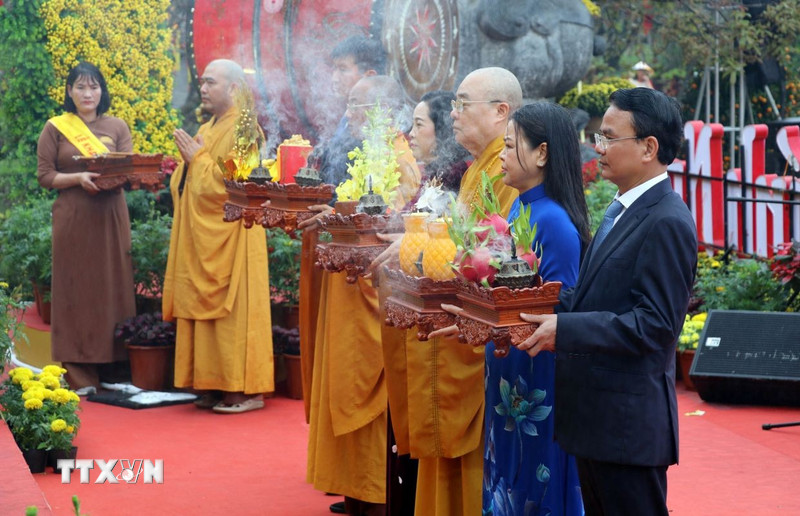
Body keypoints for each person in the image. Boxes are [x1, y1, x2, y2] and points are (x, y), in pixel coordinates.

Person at [517, 88, 698, 515]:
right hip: (597, 422)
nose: (597, 148)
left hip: (627, 429)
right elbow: (591, 295)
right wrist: (518, 304)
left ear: (649, 147)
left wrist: (567, 329)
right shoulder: (621, 209)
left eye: (609, 138)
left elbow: (654, 326)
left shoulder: (667, 220)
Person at [302, 74, 420, 516]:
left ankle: (374, 493)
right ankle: (354, 489)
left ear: (384, 114)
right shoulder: (369, 154)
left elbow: (388, 229)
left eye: (359, 107)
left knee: (366, 393)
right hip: (349, 292)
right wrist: (334, 212)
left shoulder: (400, 161)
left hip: (373, 294)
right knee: (342, 385)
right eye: (349, 105)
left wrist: (341, 217)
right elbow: (360, 212)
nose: (348, 114)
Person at [415, 67, 520, 515]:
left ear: (501, 112)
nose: (453, 114)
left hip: (479, 337)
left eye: (462, 104)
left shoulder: (505, 169)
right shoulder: (480, 166)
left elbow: (499, 252)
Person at [483, 102, 590, 515]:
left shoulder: (555, 223)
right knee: (506, 473)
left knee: (534, 481)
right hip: (509, 369)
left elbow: (562, 311)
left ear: (542, 154)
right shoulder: (520, 206)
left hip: (536, 377)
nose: (502, 156)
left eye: (510, 146)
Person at [162, 59, 273, 414]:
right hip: (202, 236)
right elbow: (189, 180)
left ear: (235, 89)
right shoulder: (209, 127)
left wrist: (198, 159)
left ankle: (241, 390)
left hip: (233, 237)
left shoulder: (244, 129)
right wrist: (191, 162)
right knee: (204, 310)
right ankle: (210, 383)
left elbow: (234, 188)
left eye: (211, 83)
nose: (203, 89)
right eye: (202, 82)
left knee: (233, 312)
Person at [36, 61, 136, 395]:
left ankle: (114, 369)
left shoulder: (118, 126)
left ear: (102, 91)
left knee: (113, 287)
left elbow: (129, 170)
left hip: (110, 218)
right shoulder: (56, 128)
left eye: (93, 87)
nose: (87, 93)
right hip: (73, 219)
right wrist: (78, 178)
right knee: (75, 289)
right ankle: (78, 373)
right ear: (69, 91)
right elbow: (45, 176)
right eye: (80, 87)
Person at [312, 35, 387, 187]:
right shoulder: (347, 116)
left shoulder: (378, 123)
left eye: (343, 69)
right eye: (334, 69)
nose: (334, 78)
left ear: (369, 75)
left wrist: (334, 209)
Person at [409, 90, 470, 193]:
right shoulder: (436, 171)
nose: (411, 134)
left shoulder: (451, 174)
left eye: (419, 124)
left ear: (441, 128)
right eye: (413, 125)